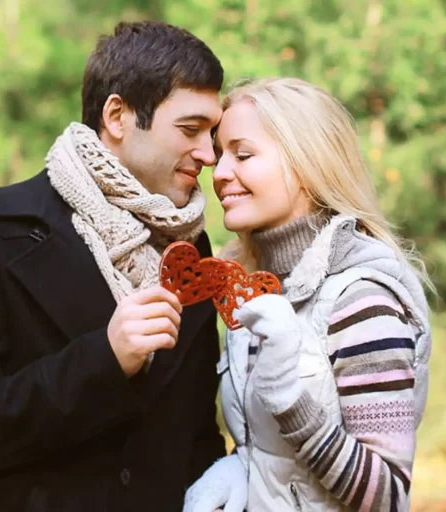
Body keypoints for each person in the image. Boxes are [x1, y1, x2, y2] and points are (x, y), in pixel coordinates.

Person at [0, 21, 227, 511]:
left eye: (213, 133)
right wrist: (103, 360)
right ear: (117, 116)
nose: (209, 154)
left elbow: (197, 437)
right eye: (190, 130)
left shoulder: (190, 250)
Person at [184, 77, 433, 511]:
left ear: (306, 163)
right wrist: (238, 470)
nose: (220, 173)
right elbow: (273, 455)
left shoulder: (362, 301)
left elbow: (388, 496)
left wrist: (288, 398)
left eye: (242, 154)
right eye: (220, 156)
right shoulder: (251, 287)